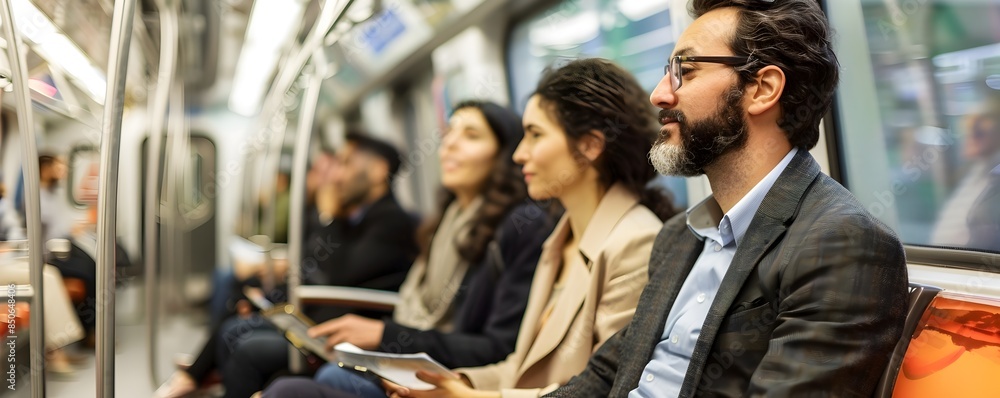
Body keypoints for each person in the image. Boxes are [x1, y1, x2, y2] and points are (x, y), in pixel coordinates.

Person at [541, 2, 910, 397]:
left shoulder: (841, 243)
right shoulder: (678, 238)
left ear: (762, 89)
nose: (659, 95)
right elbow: (607, 374)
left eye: (685, 71)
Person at [376, 58, 678, 398]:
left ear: (590, 146)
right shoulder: (559, 240)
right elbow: (521, 368)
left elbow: (606, 388)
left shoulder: (634, 243)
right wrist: (457, 384)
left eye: (535, 135)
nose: (519, 154)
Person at [260, 100, 558, 398]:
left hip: (457, 375)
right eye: (449, 132)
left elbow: (498, 347)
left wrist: (387, 335)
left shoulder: (518, 228)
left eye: (471, 135)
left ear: (503, 155)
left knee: (294, 382)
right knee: (297, 379)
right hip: (414, 357)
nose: (450, 143)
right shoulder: (446, 221)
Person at [154, 133, 419, 398]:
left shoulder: (390, 221)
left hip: (344, 330)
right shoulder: (359, 218)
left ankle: (196, 376)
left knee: (244, 343)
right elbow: (317, 261)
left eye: (346, 164)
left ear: (377, 170)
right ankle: (199, 376)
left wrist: (333, 217)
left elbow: (339, 275)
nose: (337, 176)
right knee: (237, 318)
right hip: (320, 317)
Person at [931, 99, 1000, 252]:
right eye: (969, 121)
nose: (972, 128)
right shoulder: (977, 171)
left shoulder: (995, 177)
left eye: (984, 120)